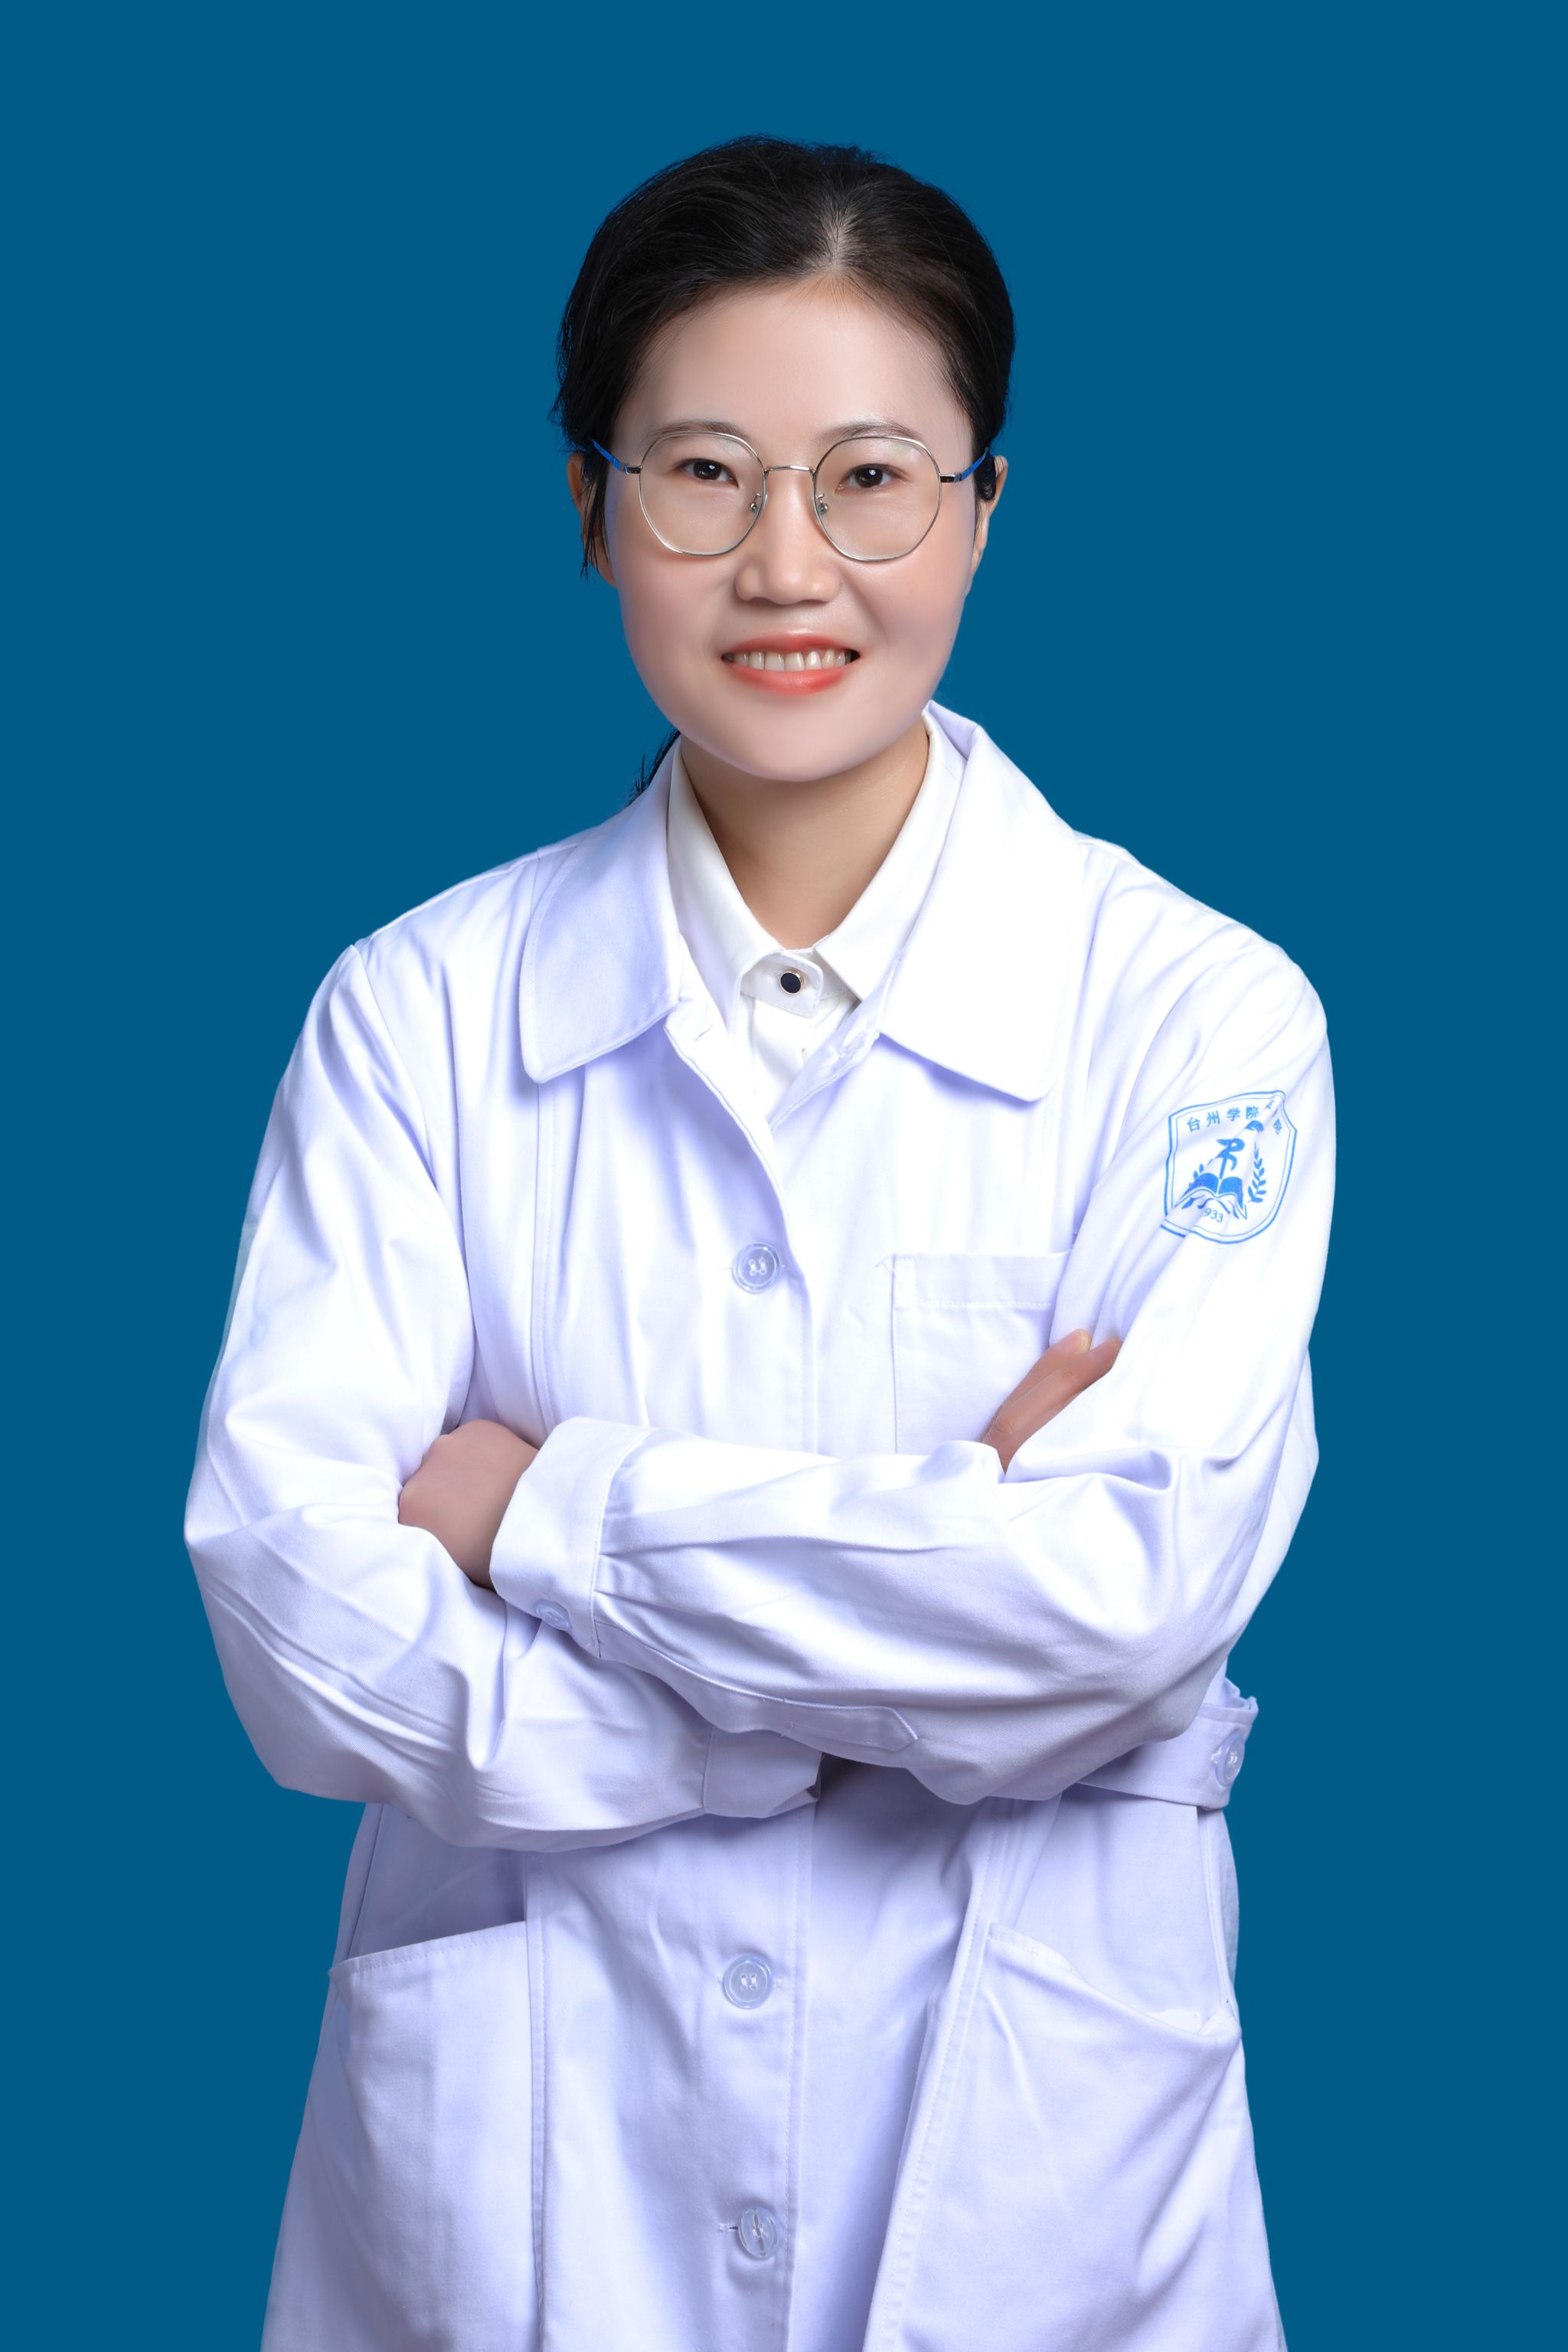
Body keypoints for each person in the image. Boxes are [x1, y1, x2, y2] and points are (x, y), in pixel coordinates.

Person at [185, 136, 1334, 2352]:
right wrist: (831, 1685)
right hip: (532, 2182)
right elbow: (289, 1604)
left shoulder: (1198, 1019)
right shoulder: (419, 1014)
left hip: (1033, 2170)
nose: (789, 564)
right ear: (591, 505)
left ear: (984, 508)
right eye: (705, 474)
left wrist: (548, 1511)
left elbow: (1119, 1596)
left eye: (873, 479)